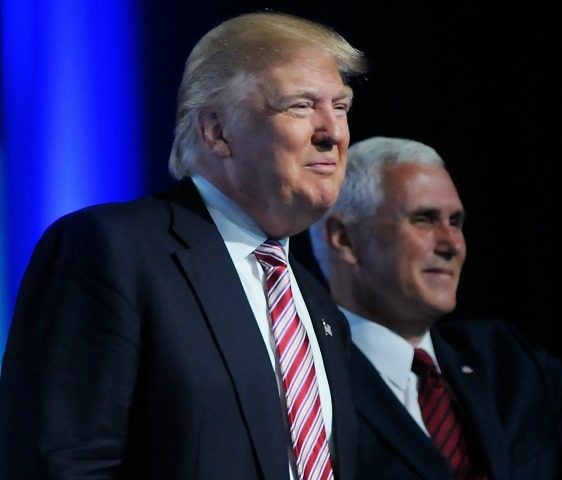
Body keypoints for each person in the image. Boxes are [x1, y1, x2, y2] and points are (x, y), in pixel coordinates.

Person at [0, 11, 367, 479]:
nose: (332, 132)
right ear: (216, 131)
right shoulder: (113, 251)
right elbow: (60, 464)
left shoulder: (318, 308)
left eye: (340, 107)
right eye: (299, 106)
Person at [309, 136, 562, 480]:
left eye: (456, 222)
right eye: (424, 219)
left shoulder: (503, 362)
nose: (452, 243)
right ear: (344, 239)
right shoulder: (307, 385)